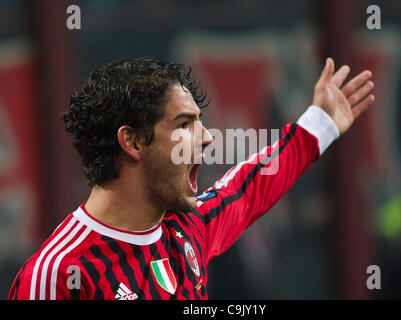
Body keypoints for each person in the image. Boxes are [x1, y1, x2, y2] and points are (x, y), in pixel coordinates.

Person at [8, 57, 374, 300]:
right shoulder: (57, 274)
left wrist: (319, 125)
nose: (208, 137)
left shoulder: (187, 229)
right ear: (132, 141)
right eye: (185, 124)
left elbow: (249, 189)